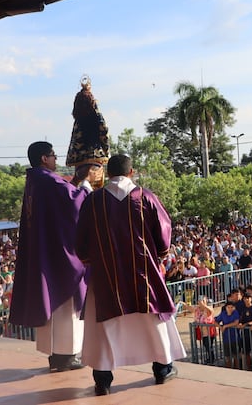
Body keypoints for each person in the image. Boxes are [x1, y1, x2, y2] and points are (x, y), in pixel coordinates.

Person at [77, 154, 186, 396]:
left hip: (106, 277)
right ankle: (162, 369)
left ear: (109, 173)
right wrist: (156, 257)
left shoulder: (94, 201)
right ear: (131, 172)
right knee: (152, 322)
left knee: (104, 327)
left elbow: (81, 243)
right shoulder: (145, 197)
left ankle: (102, 380)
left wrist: (94, 261)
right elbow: (163, 235)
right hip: (143, 274)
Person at [9, 141, 100, 372]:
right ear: (43, 158)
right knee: (65, 304)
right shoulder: (47, 180)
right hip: (59, 256)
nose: (56, 159)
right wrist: (87, 184)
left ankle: (56, 356)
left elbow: (63, 196)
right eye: (53, 155)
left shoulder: (36, 180)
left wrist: (76, 182)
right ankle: (67, 355)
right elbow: (74, 203)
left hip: (48, 250)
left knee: (54, 306)